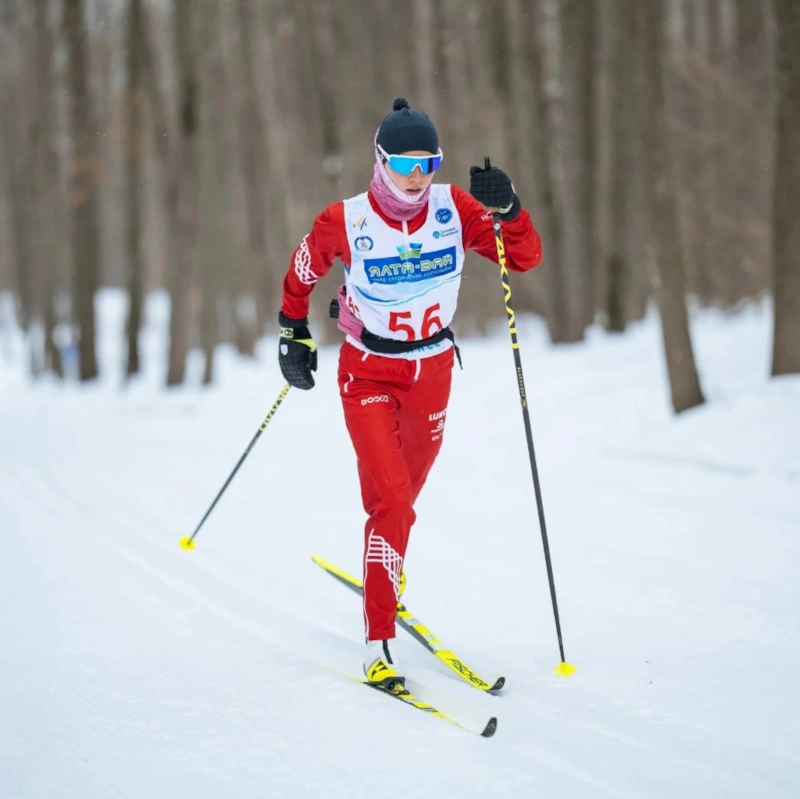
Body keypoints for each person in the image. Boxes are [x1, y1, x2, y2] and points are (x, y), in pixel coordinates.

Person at [278, 97, 542, 688]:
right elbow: (300, 273)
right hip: (368, 371)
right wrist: (293, 333)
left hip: (432, 372)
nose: (418, 176)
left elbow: (523, 258)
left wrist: (508, 209)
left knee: (400, 501)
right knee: (393, 500)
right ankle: (378, 639)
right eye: (404, 164)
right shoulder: (345, 219)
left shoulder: (455, 208)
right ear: (380, 161)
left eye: (428, 162)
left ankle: (383, 565)